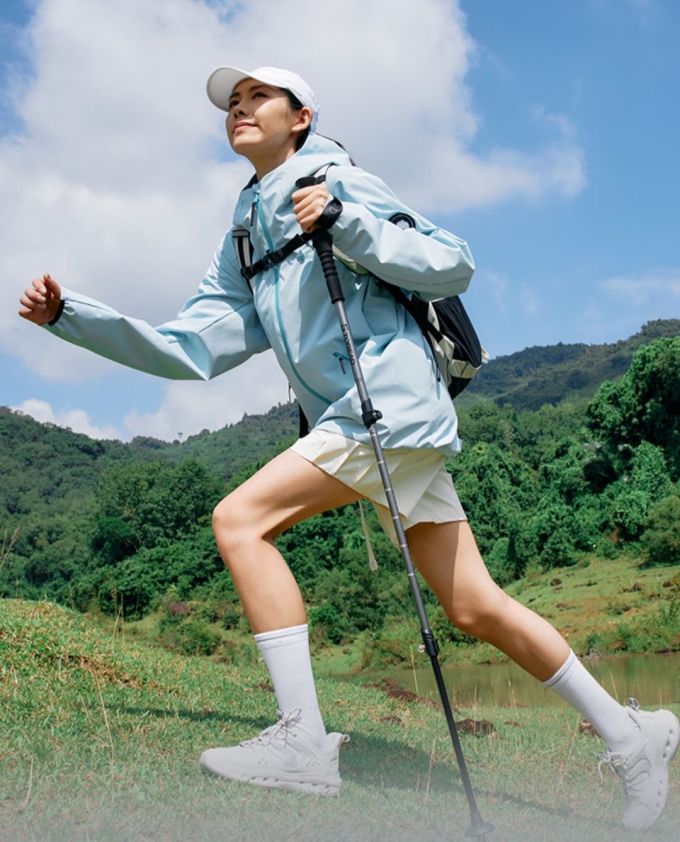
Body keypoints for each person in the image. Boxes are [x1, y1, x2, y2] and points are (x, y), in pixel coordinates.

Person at [19, 65, 678, 830]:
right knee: (473, 604)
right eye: (231, 103)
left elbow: (451, 261)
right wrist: (74, 316)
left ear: (300, 117)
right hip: (360, 421)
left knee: (239, 521)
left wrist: (343, 221)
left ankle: (302, 742)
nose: (239, 109)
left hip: (388, 408)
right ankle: (635, 735)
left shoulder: (335, 177)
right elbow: (189, 346)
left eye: (256, 97)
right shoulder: (245, 229)